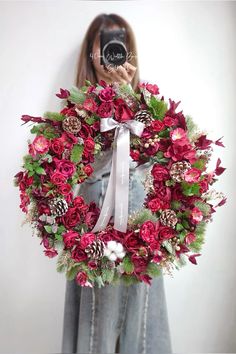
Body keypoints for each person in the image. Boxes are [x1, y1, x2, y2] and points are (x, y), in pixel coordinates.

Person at [61, 13, 172, 354]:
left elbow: (159, 162)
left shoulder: (146, 107)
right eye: (105, 46)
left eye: (118, 45)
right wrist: (102, 102)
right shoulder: (76, 112)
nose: (111, 54)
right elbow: (74, 166)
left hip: (141, 228)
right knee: (98, 322)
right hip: (95, 225)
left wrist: (129, 96)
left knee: (141, 321)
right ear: (92, 53)